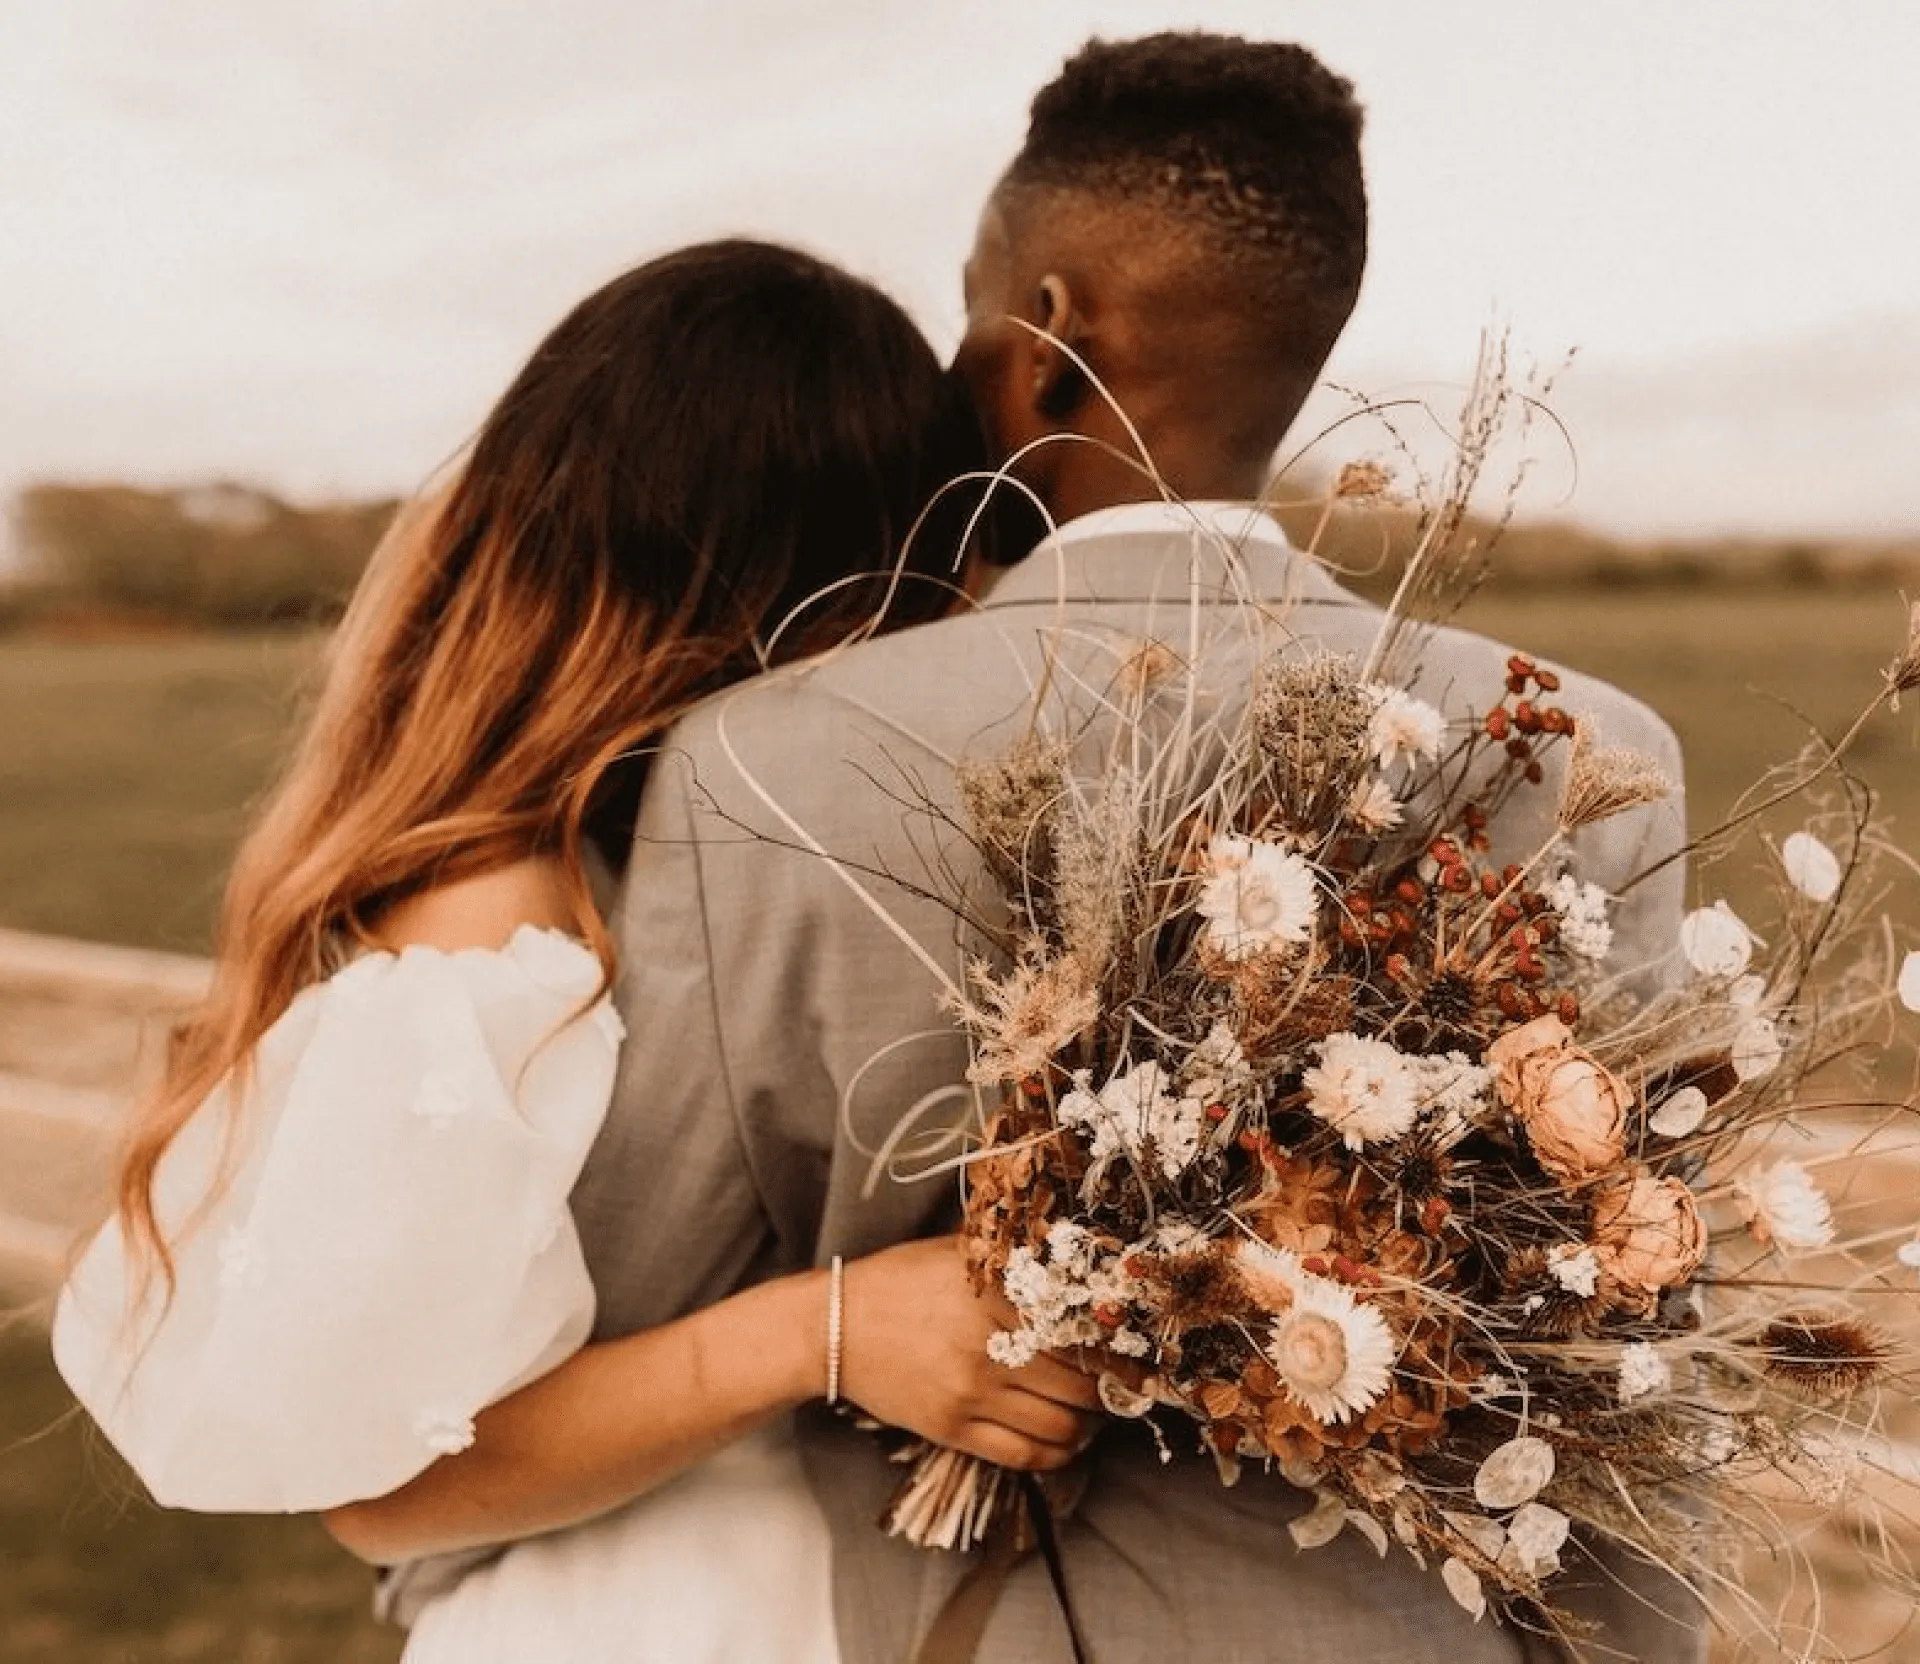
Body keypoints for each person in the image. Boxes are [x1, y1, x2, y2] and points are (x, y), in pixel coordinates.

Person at [356, 34, 1706, 1664]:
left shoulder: (767, 761)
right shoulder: (1592, 760)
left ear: (1046, 338)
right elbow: (1633, 1318)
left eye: (970, 308)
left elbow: (600, 1342)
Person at [52, 238, 1105, 1662]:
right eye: (915, 586)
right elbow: (390, 1490)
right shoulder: (502, 921)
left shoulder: (690, 856)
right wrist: (827, 1332)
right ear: (799, 586)